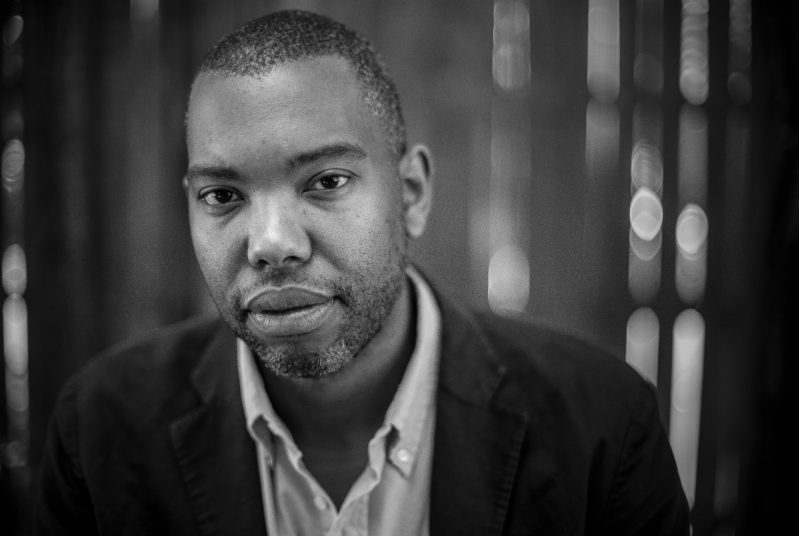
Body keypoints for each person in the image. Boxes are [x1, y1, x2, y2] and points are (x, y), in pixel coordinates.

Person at [34, 9, 690, 535]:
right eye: (223, 196)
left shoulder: (601, 426)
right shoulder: (101, 431)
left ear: (411, 195)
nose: (271, 244)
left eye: (325, 181)